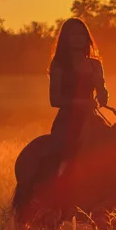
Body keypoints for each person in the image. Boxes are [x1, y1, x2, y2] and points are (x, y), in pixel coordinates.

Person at [48, 17, 108, 174]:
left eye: (81, 35)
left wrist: (102, 95)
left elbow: (101, 90)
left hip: (91, 118)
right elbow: (54, 100)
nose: (78, 39)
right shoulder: (58, 65)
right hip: (67, 121)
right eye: (73, 35)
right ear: (66, 39)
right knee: (63, 155)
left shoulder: (96, 64)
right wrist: (82, 103)